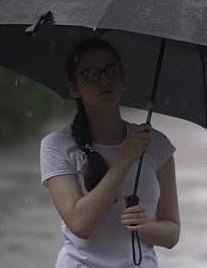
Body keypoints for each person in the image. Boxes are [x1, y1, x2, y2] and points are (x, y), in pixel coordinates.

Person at [40, 37, 180, 267]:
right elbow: (80, 223)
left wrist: (146, 228)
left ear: (123, 80)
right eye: (91, 74)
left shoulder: (156, 142)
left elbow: (172, 233)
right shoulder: (57, 145)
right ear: (73, 88)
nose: (104, 79)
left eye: (111, 70)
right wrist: (126, 159)